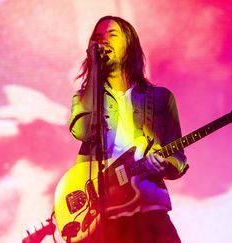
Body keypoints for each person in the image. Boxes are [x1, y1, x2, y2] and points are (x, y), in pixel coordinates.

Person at [68, 16, 189, 243]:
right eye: (97, 38)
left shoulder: (161, 98)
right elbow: (83, 131)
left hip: (148, 208)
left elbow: (179, 160)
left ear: (129, 44)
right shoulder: (84, 98)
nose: (103, 42)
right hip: (101, 215)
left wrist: (163, 164)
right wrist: (94, 70)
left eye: (112, 35)